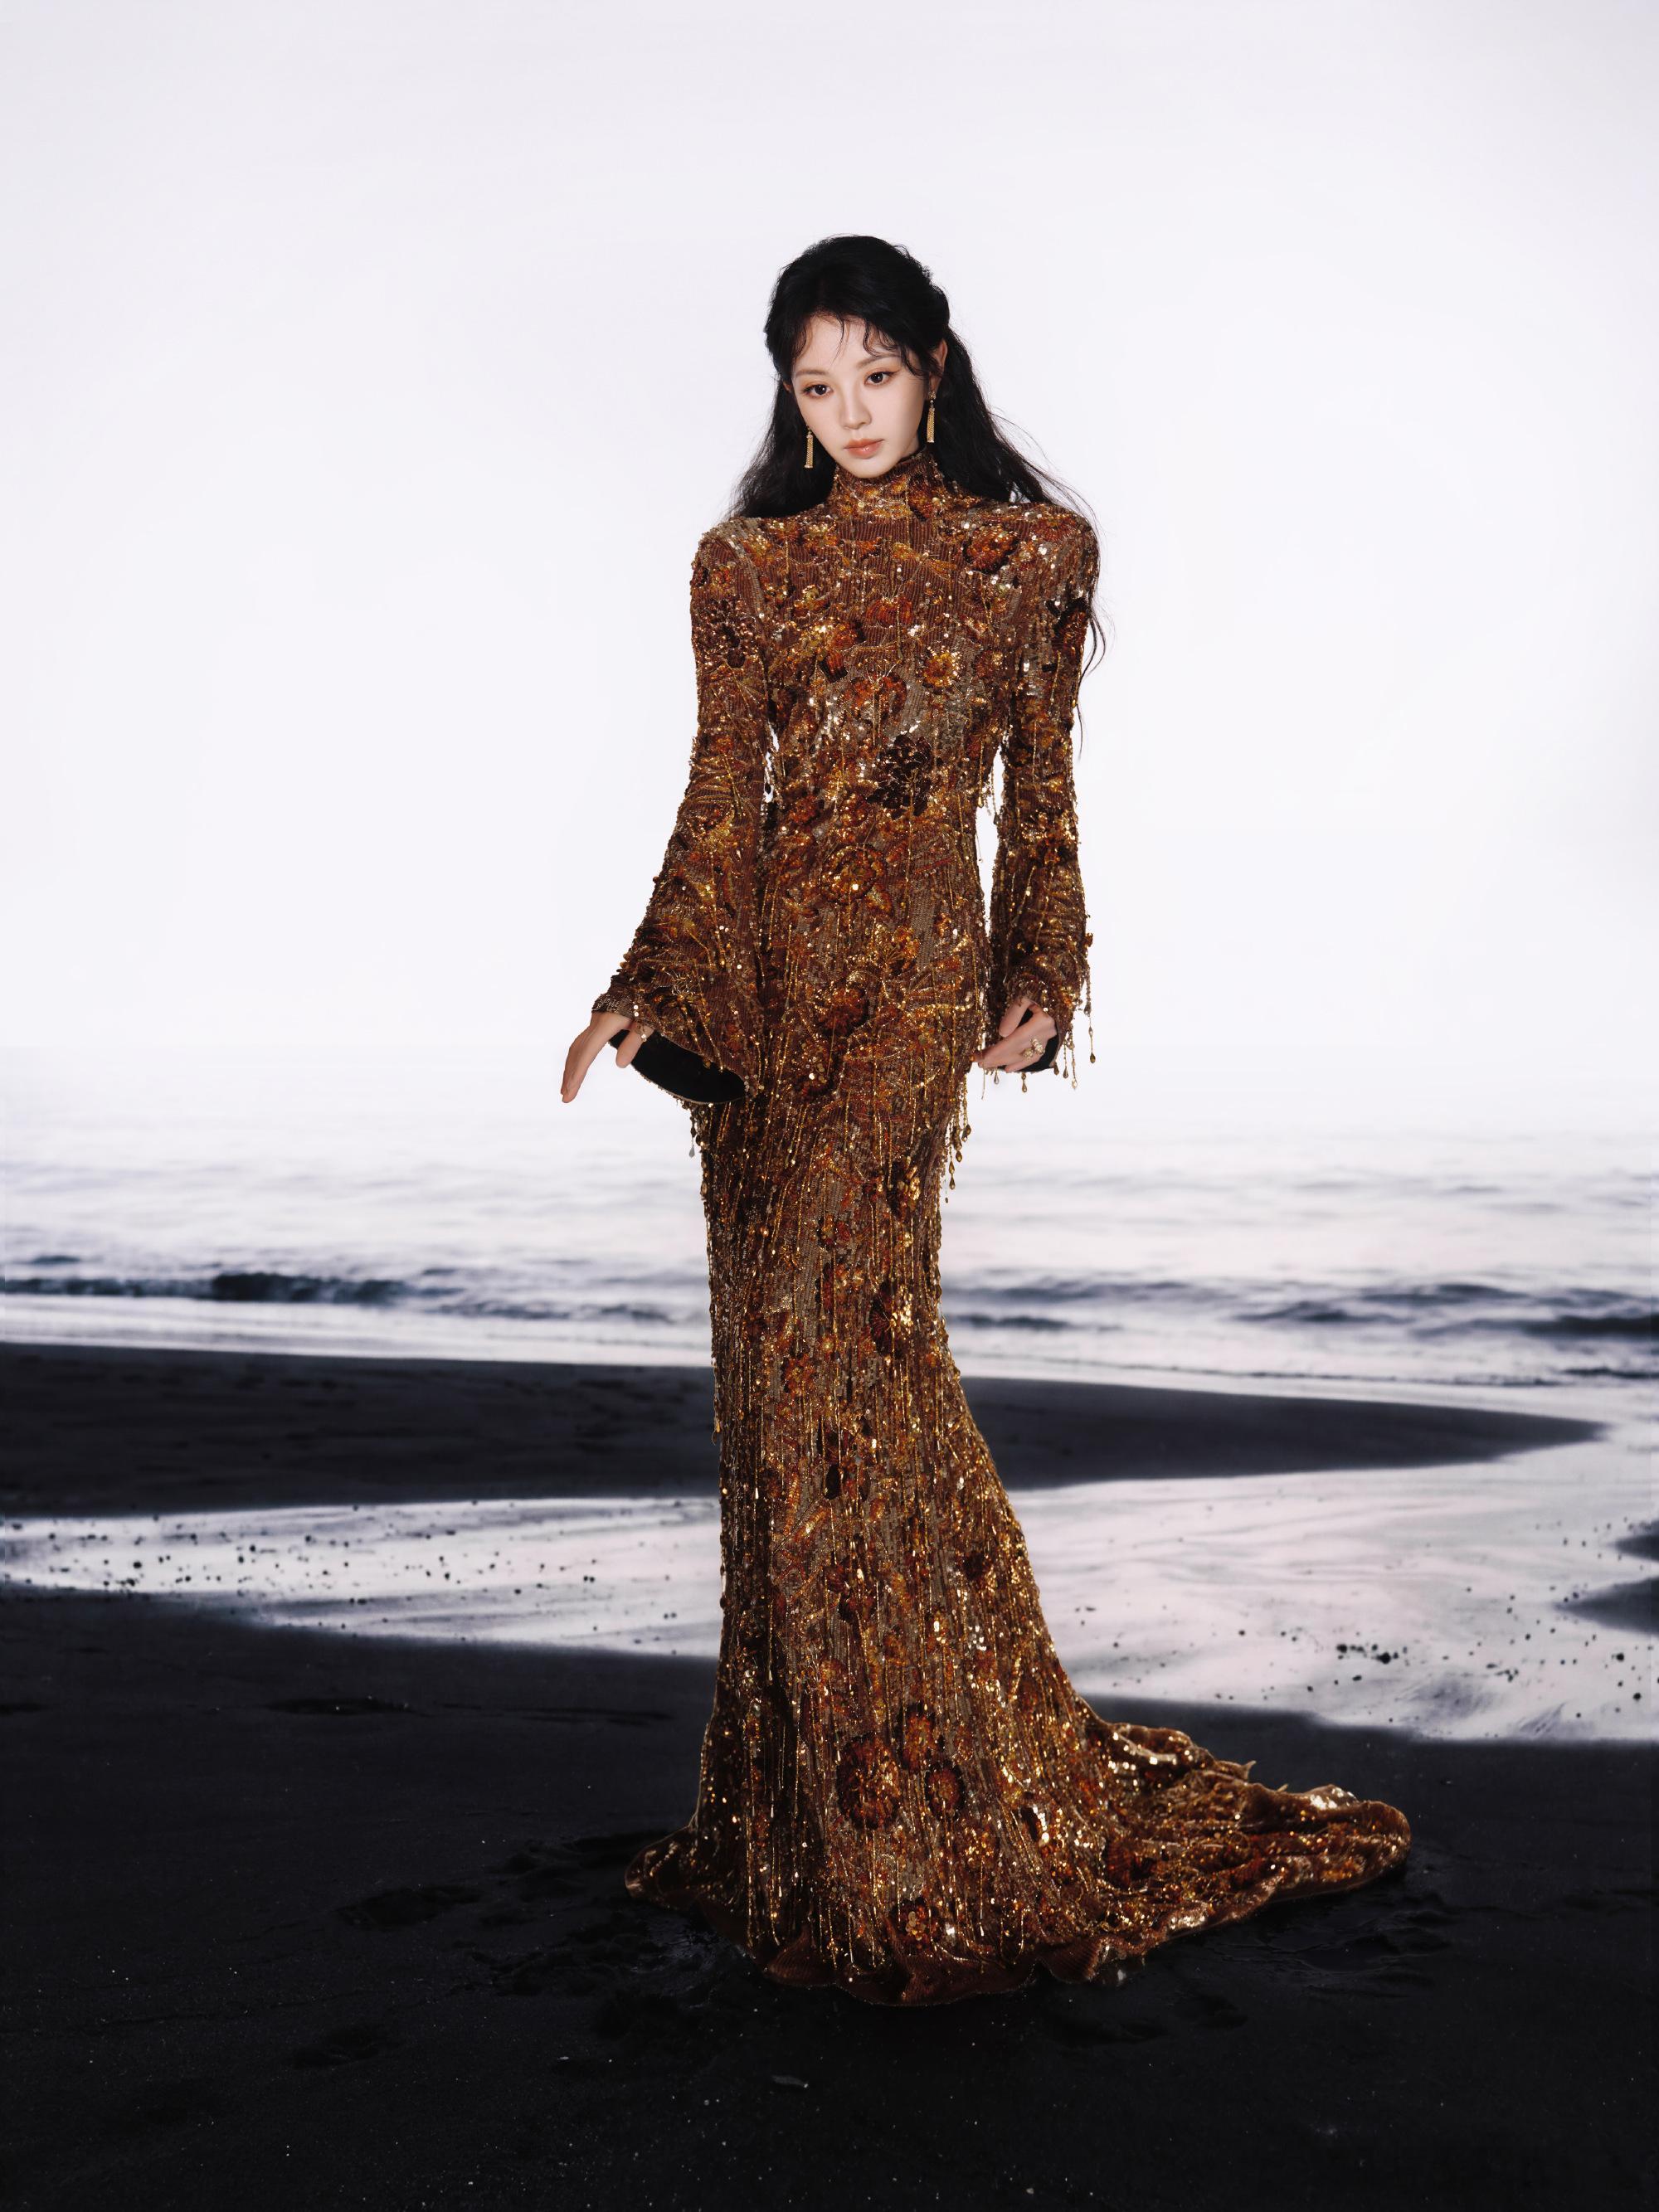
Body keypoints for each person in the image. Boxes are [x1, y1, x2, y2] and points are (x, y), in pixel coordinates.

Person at [562, 235, 1409, 2005]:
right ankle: (816, 1817)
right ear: (789, 399)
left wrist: (1045, 969)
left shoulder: (1033, 556)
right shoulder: (745, 567)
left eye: (875, 374)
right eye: (816, 386)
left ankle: (934, 1811)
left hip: (907, 997)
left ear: (933, 366)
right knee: (784, 1398)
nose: (850, 412)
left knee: (854, 1361)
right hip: (766, 994)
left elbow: (1041, 795)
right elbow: (721, 797)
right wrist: (648, 982)